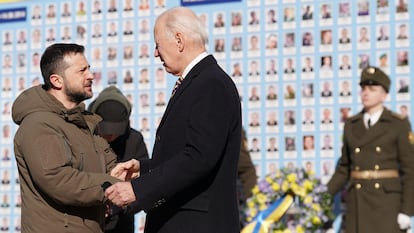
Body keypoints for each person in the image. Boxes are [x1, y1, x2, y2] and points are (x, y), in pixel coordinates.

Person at [105, 7, 242, 233]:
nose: (155, 53)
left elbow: (199, 157)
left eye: (157, 44)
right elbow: (183, 153)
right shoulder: (198, 82)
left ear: (179, 40)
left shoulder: (211, 84)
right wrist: (143, 169)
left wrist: (138, 189)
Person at [11, 43, 131, 232]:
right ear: (57, 81)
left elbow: (109, 167)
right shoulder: (39, 125)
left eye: (89, 68)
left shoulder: (84, 122)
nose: (90, 75)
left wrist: (128, 173)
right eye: (82, 70)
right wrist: (116, 187)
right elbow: (60, 181)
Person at [327, 66, 414, 233]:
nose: (366, 93)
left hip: (387, 205)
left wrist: (407, 210)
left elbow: (410, 170)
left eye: (372, 89)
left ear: (384, 95)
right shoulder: (351, 125)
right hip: (358, 203)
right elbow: (344, 169)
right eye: (364, 88)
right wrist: (321, 196)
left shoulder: (398, 124)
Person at [88, 86, 149, 233]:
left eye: (115, 131)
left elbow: (144, 185)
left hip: (121, 224)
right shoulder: (84, 138)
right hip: (87, 221)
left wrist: (120, 205)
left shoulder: (134, 140)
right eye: (105, 130)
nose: (110, 135)